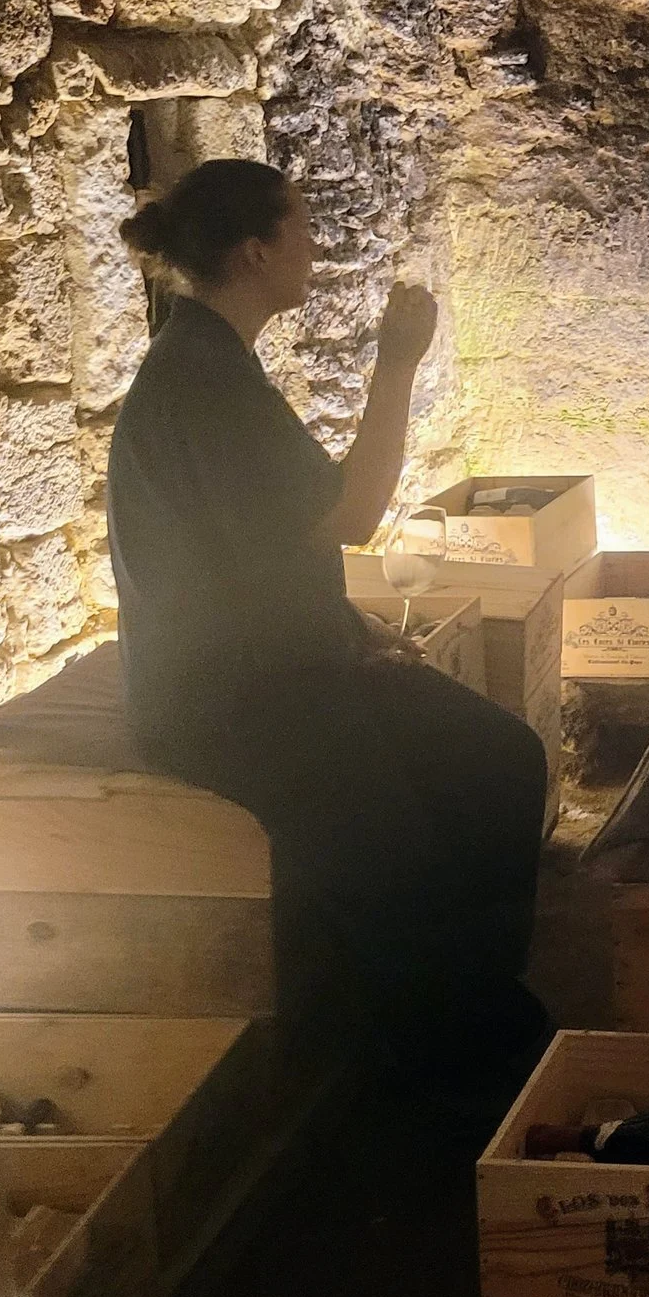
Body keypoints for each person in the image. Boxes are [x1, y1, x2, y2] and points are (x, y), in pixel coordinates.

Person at [107, 161, 548, 1085]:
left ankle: (482, 1003)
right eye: (301, 229)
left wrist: (349, 625)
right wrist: (397, 361)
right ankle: (459, 1065)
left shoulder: (217, 362)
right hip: (230, 696)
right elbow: (347, 516)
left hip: (294, 656)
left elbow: (262, 548)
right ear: (256, 250)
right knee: (403, 850)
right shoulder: (202, 381)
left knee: (501, 761)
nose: (315, 245)